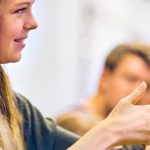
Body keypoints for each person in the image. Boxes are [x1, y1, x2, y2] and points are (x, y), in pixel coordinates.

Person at [1, 0, 150, 150]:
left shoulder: (13, 106)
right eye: (20, 10)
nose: (33, 23)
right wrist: (112, 131)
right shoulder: (76, 121)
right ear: (104, 77)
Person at [56, 43, 150, 136]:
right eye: (130, 79)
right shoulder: (76, 125)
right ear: (104, 77)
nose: (140, 92)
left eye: (148, 86)